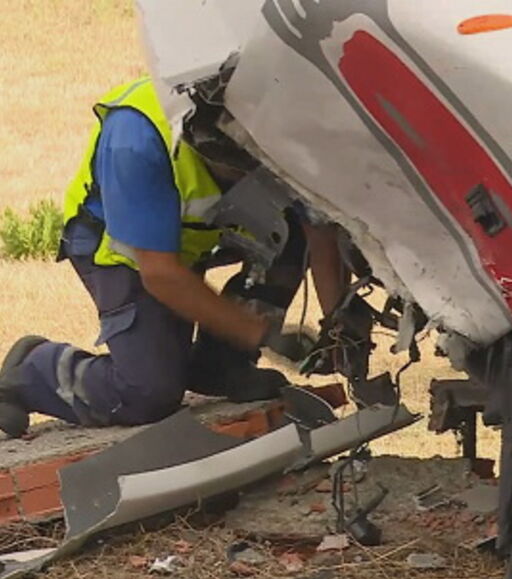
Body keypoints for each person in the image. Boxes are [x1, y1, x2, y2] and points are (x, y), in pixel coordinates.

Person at [0, 78, 345, 437]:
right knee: (148, 393)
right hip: (121, 250)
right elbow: (161, 274)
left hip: (190, 239)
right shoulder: (137, 138)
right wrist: (261, 333)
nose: (249, 178)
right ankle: (34, 370)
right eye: (239, 170)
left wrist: (339, 326)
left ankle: (219, 364)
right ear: (204, 142)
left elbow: (317, 229)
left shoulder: (269, 117)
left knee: (289, 233)